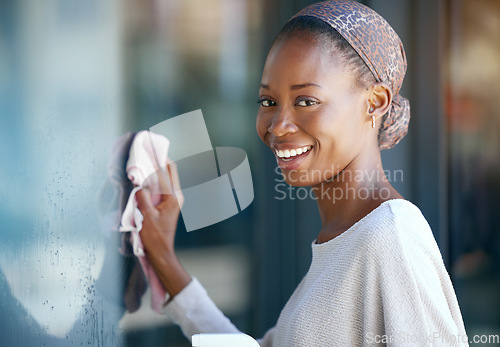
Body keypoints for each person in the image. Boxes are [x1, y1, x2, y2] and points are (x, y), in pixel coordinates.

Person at [135, 1, 468, 346]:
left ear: (375, 101)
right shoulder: (345, 239)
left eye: (306, 101)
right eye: (268, 102)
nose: (278, 125)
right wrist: (162, 256)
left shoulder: (390, 236)